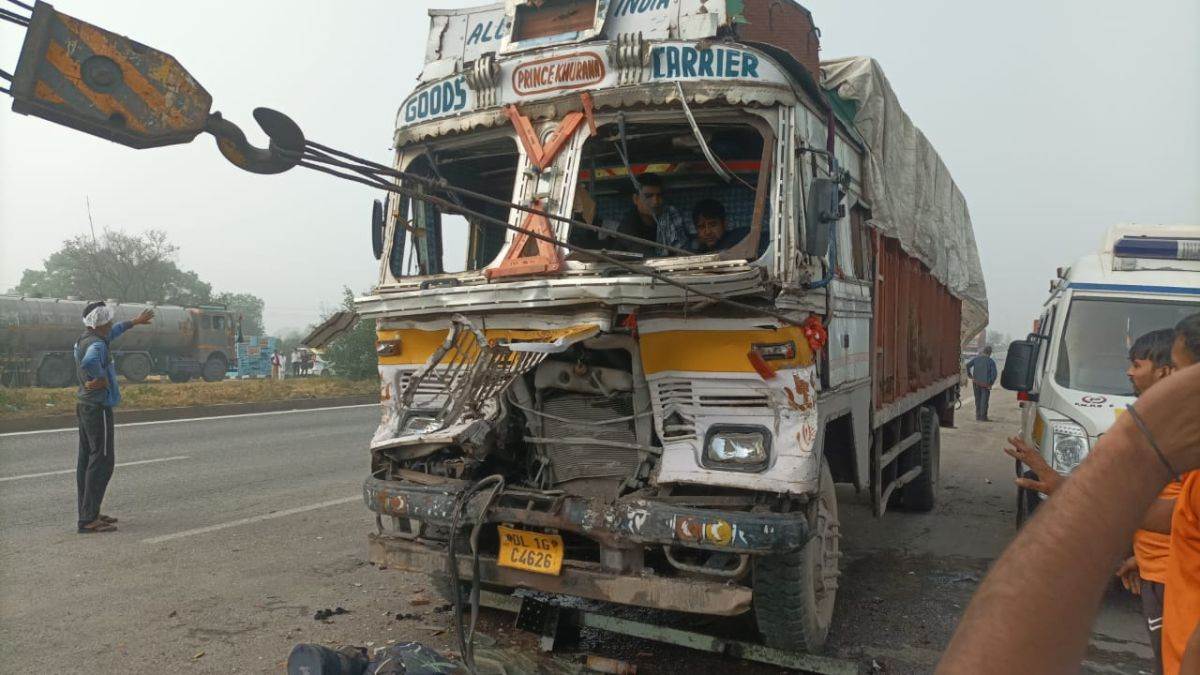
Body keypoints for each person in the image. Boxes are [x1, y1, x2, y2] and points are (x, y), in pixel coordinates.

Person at [941, 314, 1200, 674]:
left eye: (1182, 371)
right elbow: (1179, 519)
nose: (1129, 373)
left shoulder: (1165, 440)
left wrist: (1134, 448)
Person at [1006, 327, 1179, 671]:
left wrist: (1068, 489)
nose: (1128, 372)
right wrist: (1143, 555)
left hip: (1175, 578)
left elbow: (1180, 512)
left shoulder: (1180, 427)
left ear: (1166, 371)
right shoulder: (1157, 418)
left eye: (1136, 364)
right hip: (1160, 569)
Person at [73, 301, 154, 534]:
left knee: (87, 460)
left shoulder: (85, 338)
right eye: (108, 320)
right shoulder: (98, 344)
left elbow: (115, 331)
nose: (111, 323)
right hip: (98, 407)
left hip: (85, 405)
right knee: (102, 461)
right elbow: (90, 361)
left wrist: (135, 322)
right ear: (100, 324)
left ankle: (89, 511)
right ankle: (89, 519)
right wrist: (100, 378)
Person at [613, 173, 691, 256]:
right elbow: (645, 256)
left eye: (659, 196)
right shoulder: (627, 226)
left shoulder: (670, 216)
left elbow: (683, 251)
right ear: (636, 199)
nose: (655, 201)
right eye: (648, 196)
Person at [965, 346, 998, 421]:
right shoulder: (991, 361)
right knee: (984, 400)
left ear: (983, 351)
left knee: (977, 399)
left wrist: (970, 375)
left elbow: (967, 365)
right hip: (985, 384)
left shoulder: (976, 359)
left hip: (976, 382)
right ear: (990, 353)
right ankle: (983, 417)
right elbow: (994, 374)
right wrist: (990, 383)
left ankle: (978, 416)